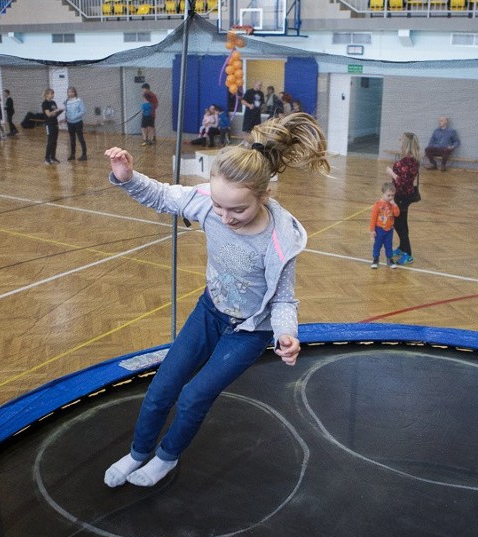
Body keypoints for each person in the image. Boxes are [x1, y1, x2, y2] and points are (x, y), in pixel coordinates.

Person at [102, 112, 331, 488]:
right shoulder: (211, 202)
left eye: (238, 209)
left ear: (265, 195)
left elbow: (284, 300)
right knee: (162, 388)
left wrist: (286, 336)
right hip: (209, 311)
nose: (225, 217)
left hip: (248, 331)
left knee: (193, 397)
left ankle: (165, 458)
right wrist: (127, 177)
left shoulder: (279, 240)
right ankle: (138, 453)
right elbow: (162, 195)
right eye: (220, 207)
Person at [385, 132, 420, 266]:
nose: (399, 141)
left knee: (400, 225)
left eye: (401, 139)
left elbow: (402, 182)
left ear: (406, 143)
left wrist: (391, 173)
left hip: (402, 197)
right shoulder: (411, 160)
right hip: (403, 196)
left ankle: (408, 254)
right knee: (401, 223)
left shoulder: (408, 161)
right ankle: (402, 248)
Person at [369, 182, 400, 270]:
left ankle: (389, 259)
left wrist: (394, 205)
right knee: (377, 245)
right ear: (383, 194)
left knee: (389, 245)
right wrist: (372, 230)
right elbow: (373, 218)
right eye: (388, 195)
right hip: (379, 229)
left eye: (392, 196)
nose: (390, 198)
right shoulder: (377, 205)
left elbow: (397, 214)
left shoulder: (392, 205)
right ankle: (375, 259)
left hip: (389, 230)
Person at [64, 86, 88, 161]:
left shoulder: (79, 100)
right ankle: (72, 155)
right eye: (69, 92)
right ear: (67, 93)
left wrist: (75, 116)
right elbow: (66, 111)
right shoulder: (66, 101)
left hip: (78, 122)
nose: (70, 93)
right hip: (69, 123)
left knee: (80, 138)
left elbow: (83, 111)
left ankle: (84, 155)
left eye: (72, 92)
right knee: (72, 138)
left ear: (75, 93)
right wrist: (66, 117)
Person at [41, 88, 63, 164]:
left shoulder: (53, 102)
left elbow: (54, 114)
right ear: (47, 94)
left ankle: (52, 157)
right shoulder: (45, 103)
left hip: (55, 124)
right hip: (49, 125)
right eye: (51, 94)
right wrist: (55, 111)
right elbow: (48, 114)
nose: (53, 95)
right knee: (50, 141)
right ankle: (47, 159)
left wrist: (59, 111)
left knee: (54, 141)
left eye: (53, 94)